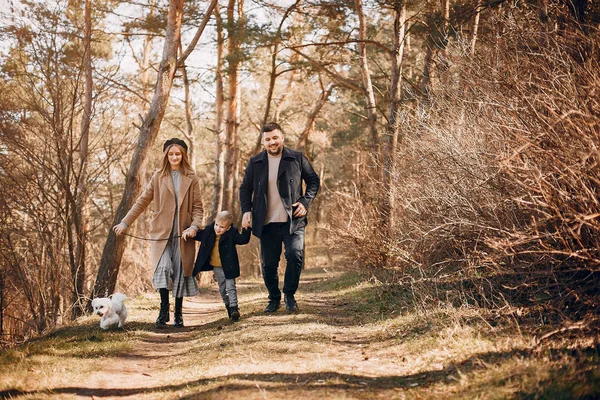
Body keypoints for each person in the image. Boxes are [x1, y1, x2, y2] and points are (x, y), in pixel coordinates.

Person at [113, 138, 204, 328]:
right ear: (165, 155)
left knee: (180, 271)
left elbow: (198, 208)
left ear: (183, 155)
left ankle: (178, 314)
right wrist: (124, 223)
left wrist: (194, 227)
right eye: (170, 154)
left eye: (177, 154)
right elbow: (141, 202)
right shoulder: (158, 177)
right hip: (161, 232)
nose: (174, 157)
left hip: (183, 233)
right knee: (163, 268)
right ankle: (163, 310)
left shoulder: (191, 177)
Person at [239, 122, 320, 313]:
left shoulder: (296, 158)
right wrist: (246, 210)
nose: (272, 142)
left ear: (282, 137)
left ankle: (289, 296)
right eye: (268, 139)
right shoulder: (255, 162)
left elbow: (313, 181)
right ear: (263, 142)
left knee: (295, 255)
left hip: (293, 219)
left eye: (275, 138)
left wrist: (305, 202)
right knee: (268, 264)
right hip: (266, 222)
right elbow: (245, 189)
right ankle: (274, 298)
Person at [191, 210, 251, 321]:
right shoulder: (209, 231)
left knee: (230, 287)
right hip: (216, 267)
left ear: (228, 228)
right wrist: (190, 231)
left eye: (222, 227)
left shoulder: (232, 233)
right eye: (217, 225)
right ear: (214, 221)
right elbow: (198, 235)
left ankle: (234, 308)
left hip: (229, 266)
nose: (218, 229)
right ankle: (229, 307)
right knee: (223, 289)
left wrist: (246, 228)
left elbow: (243, 240)